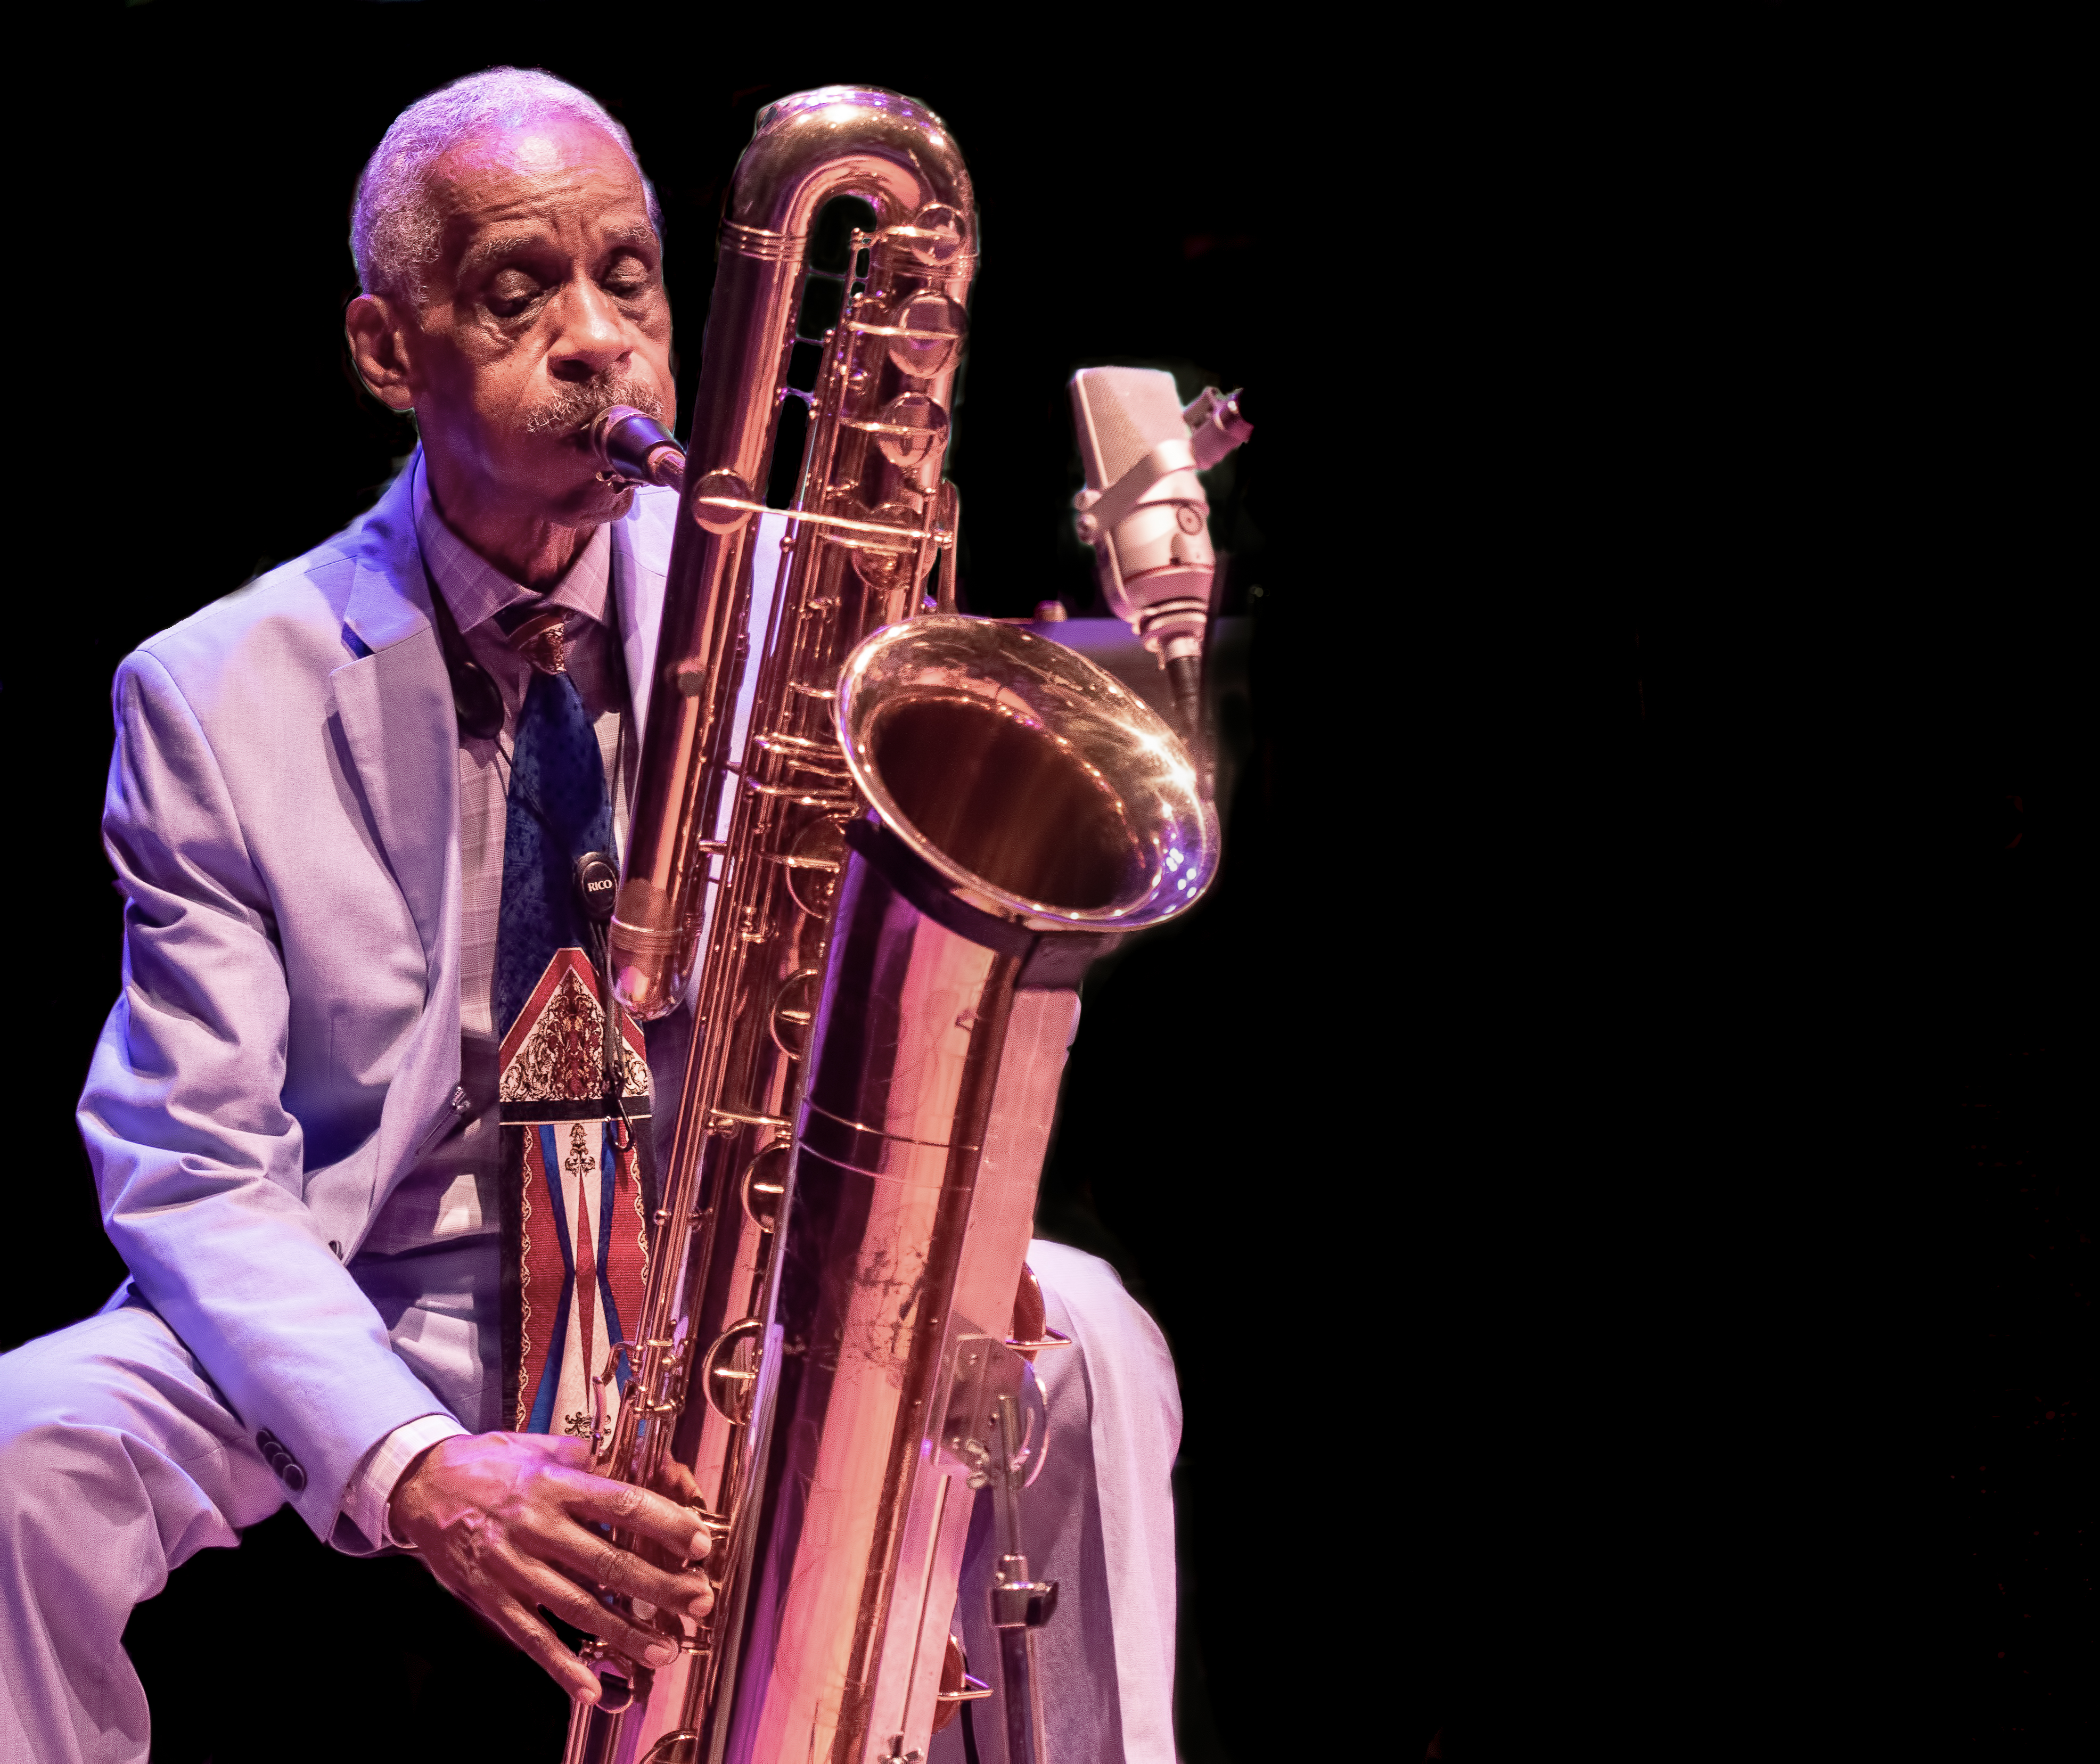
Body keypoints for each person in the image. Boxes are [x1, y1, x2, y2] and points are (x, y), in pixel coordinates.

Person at [0, 69, 1180, 1764]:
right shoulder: (210, 692)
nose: (596, 341)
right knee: (24, 1445)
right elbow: (191, 1169)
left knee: (1089, 1340)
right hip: (395, 1297)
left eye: (628, 278)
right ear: (385, 351)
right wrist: (411, 1459)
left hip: (729, 1280)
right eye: (515, 292)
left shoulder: (810, 597)